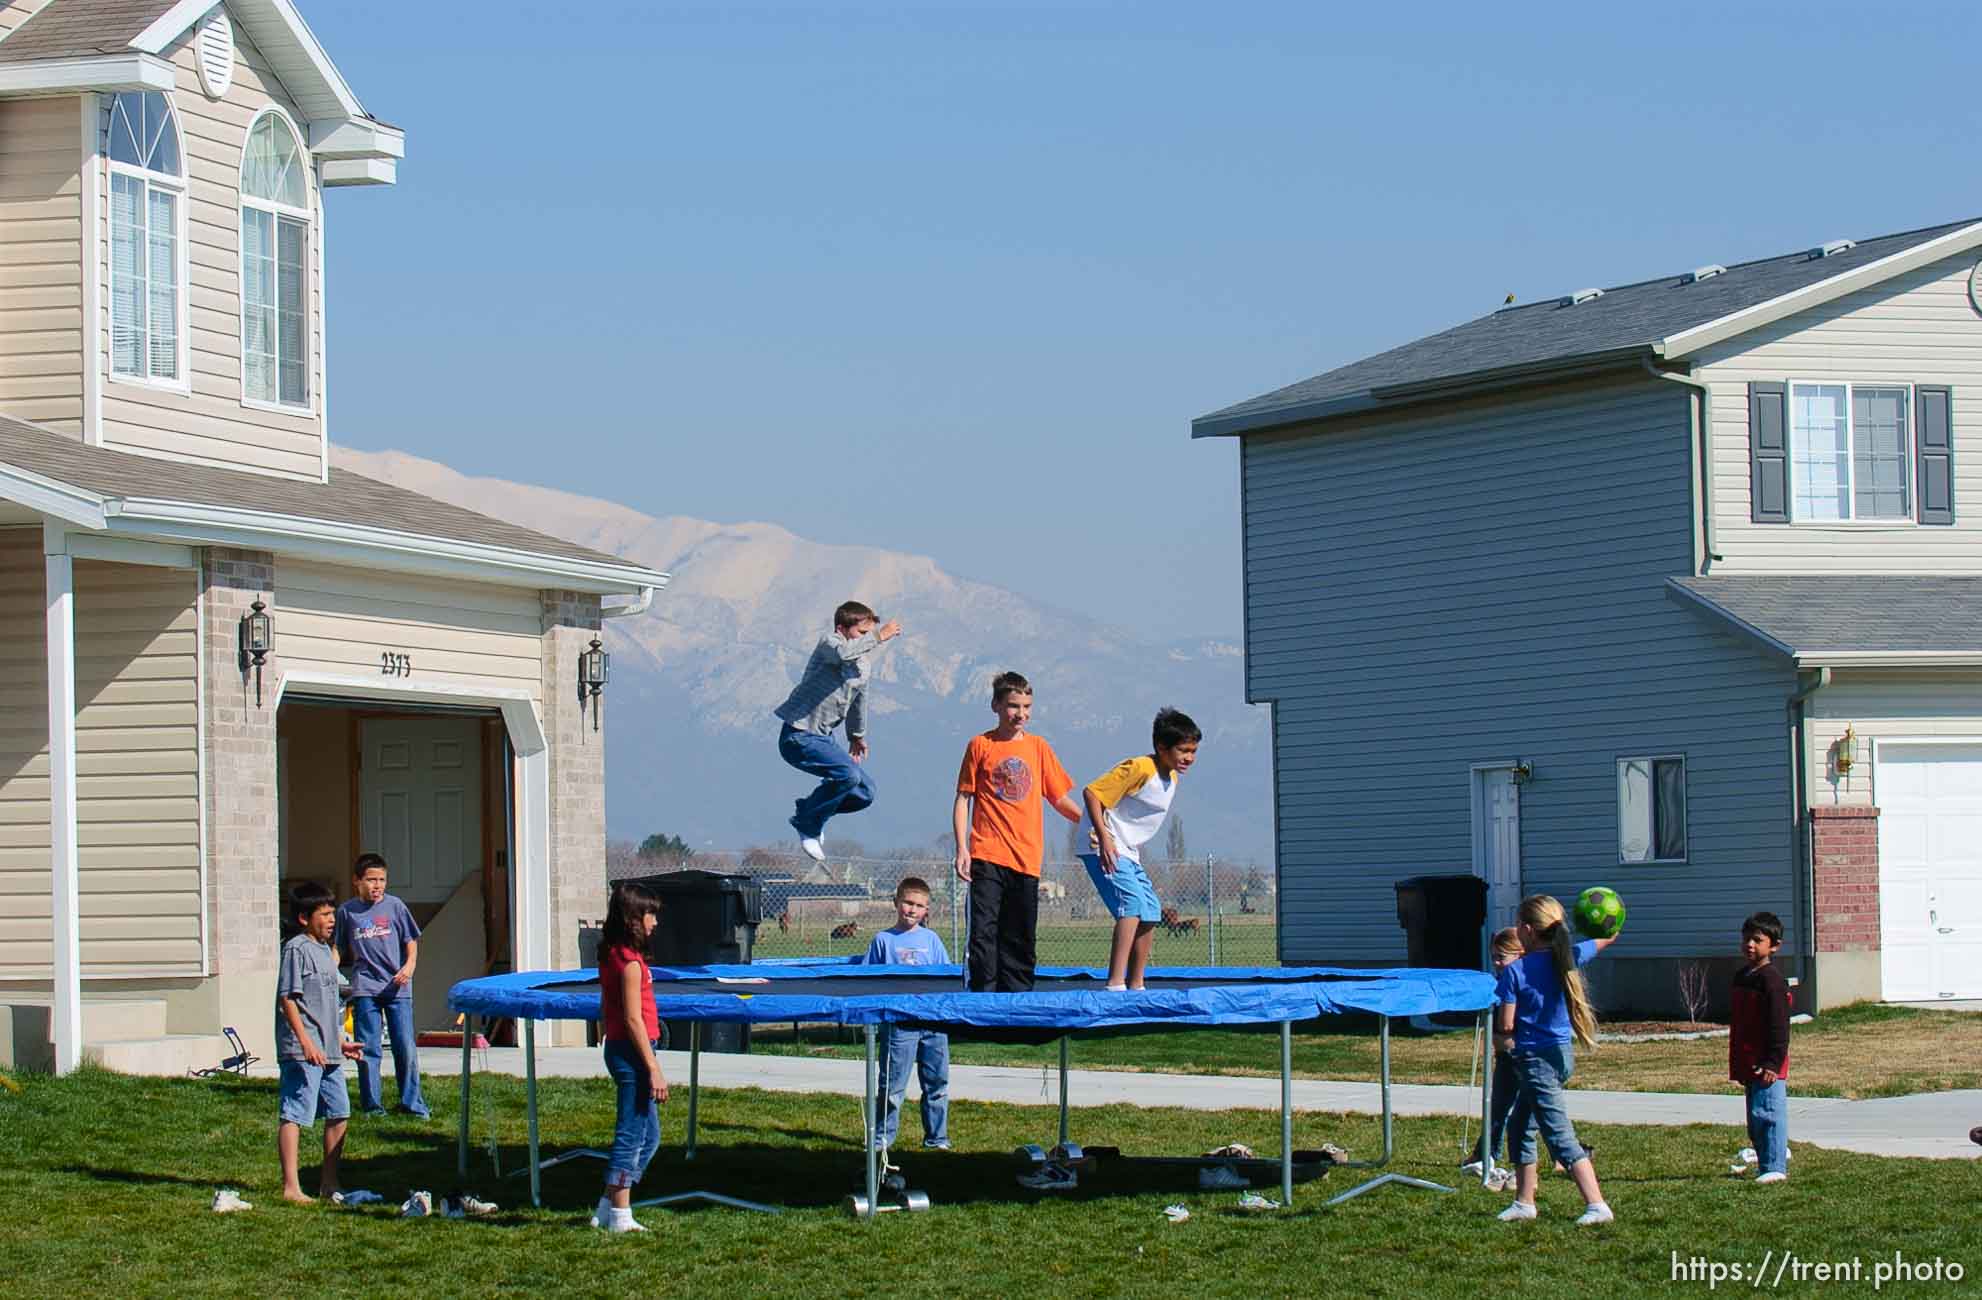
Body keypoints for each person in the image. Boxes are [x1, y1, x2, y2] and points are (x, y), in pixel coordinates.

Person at [953, 671, 1083, 992]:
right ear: (996, 705)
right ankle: (982, 997)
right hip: (987, 854)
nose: (1020, 714)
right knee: (984, 932)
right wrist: (962, 849)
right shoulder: (980, 745)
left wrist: (1093, 823)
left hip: (1026, 858)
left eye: (1026, 707)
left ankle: (1019, 1001)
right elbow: (963, 799)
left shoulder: (1039, 748)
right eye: (1013, 706)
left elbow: (1059, 798)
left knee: (1021, 933)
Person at [1493, 893, 1617, 1226]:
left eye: (1519, 925)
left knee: (1558, 1134)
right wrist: (1611, 917)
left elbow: (1505, 1024)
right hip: (1561, 1056)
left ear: (1528, 929)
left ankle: (1597, 1205)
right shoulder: (1569, 956)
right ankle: (1524, 1202)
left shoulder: (1515, 972)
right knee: (1520, 1125)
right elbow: (1607, 937)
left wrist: (1504, 1039)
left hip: (1534, 1061)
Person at [1077, 708, 1201, 990]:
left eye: (1193, 751)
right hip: (1102, 845)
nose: (1189, 758)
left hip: (1127, 850)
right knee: (1131, 905)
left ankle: (1137, 984)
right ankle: (1115, 983)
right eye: (1183, 750)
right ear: (1161, 747)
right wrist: (1105, 837)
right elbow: (1093, 793)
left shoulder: (1172, 777)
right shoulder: (1140, 768)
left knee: (1151, 911)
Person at [774, 600, 902, 862]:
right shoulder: (829, 645)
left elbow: (859, 702)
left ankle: (808, 810)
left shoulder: (862, 666)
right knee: (847, 775)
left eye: (868, 635)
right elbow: (844, 654)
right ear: (842, 628)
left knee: (865, 792)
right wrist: (879, 636)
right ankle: (808, 825)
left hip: (824, 739)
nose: (866, 641)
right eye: (861, 634)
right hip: (798, 735)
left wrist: (857, 736)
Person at [276, 881, 362, 1204]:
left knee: (340, 1111)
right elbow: (288, 1000)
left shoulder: (326, 953)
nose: (331, 919)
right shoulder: (296, 949)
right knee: (295, 1112)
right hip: (302, 1051)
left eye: (332, 913)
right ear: (303, 918)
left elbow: (323, 1006)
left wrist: (339, 1042)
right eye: (324, 914)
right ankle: (291, 1187)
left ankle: (329, 1183)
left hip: (328, 1052)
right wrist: (306, 1043)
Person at [592, 880, 669, 1233]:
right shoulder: (628, 962)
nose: (655, 922)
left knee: (649, 1136)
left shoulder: (616, 953)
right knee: (631, 1134)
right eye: (650, 913)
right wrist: (652, 1068)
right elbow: (632, 1018)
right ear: (633, 918)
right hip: (632, 1054)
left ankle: (608, 1205)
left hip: (627, 1050)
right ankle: (621, 1216)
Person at [333, 852, 429, 1119]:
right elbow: (338, 947)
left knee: (405, 1046)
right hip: (365, 988)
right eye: (371, 880)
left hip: (397, 988)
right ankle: (372, 1106)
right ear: (357, 881)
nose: (377, 886)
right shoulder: (347, 911)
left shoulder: (395, 906)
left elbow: (411, 941)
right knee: (369, 1048)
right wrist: (329, 971)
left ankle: (412, 1103)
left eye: (382, 880)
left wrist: (409, 967)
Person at [864, 877, 952, 1151]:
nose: (912, 910)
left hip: (932, 1023)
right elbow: (867, 979)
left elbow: (946, 976)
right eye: (908, 903)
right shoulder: (883, 940)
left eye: (919, 906)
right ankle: (882, 1139)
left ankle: (937, 1139)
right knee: (892, 1087)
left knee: (937, 1084)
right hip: (899, 1024)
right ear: (896, 903)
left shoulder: (932, 940)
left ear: (927, 910)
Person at [1730, 910, 1792, 1184]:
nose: (1750, 945)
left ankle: (1775, 1167)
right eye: (1746, 939)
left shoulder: (1772, 980)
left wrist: (1772, 1062)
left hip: (1768, 1063)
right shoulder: (1743, 976)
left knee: (1769, 1114)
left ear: (1774, 946)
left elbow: (1780, 1026)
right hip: (1749, 1060)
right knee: (1755, 1118)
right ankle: (1765, 1162)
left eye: (1757, 940)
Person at [1461, 927, 1525, 1189]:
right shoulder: (1499, 982)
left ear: (1520, 956)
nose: (1497, 963)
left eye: (1502, 957)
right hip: (1505, 1057)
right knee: (1498, 1108)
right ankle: (1484, 1153)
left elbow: (1510, 1025)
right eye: (1494, 957)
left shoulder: (1520, 982)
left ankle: (1563, 1156)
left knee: (1534, 1111)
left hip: (1524, 1056)